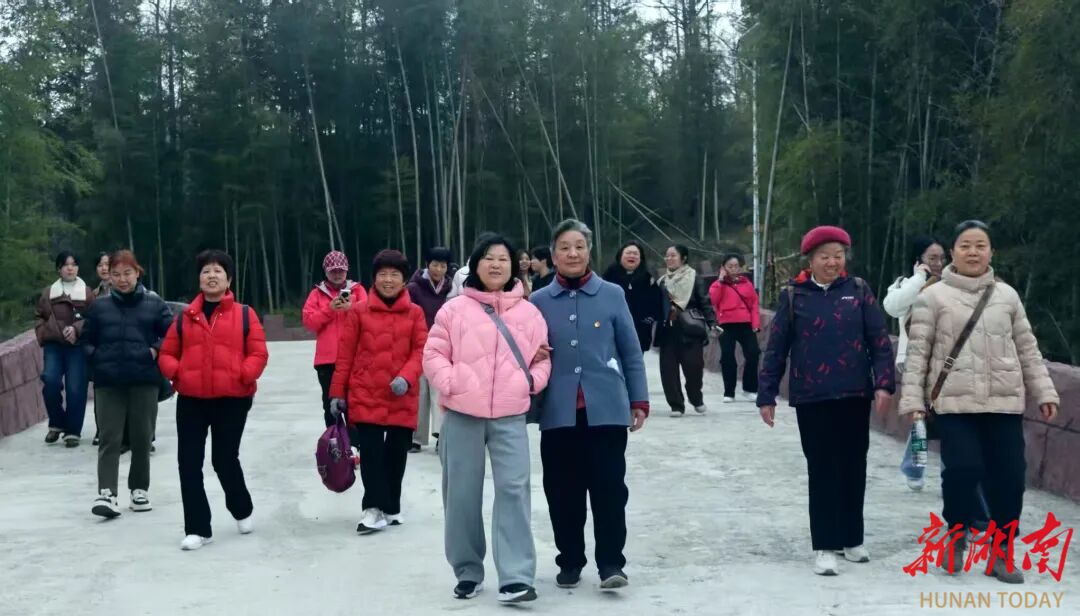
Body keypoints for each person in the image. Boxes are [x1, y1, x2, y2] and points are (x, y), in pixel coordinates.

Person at [900, 220, 1059, 583]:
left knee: (1010, 478)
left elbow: (1027, 348)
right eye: (965, 246)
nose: (973, 252)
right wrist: (913, 401)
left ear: (991, 252)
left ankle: (1001, 553)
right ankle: (957, 535)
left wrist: (1045, 391)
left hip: (1004, 403)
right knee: (963, 470)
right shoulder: (932, 297)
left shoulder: (1007, 296)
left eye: (980, 245)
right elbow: (918, 354)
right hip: (955, 404)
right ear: (952, 253)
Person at [756, 226, 895, 576]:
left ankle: (851, 538)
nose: (833, 262)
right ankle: (825, 544)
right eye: (825, 256)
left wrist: (883, 384)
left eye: (838, 255)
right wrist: (766, 394)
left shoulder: (858, 291)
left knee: (853, 466)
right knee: (821, 469)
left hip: (854, 394)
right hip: (812, 397)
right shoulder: (794, 296)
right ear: (810, 259)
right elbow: (776, 349)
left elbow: (879, 341)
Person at [423, 235, 551, 603]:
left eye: (503, 259)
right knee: (461, 494)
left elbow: (543, 358)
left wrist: (530, 382)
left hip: (510, 415)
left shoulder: (529, 313)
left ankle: (516, 576)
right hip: (462, 415)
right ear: (475, 265)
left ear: (514, 266)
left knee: (514, 491)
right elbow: (433, 354)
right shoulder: (454, 310)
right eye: (489, 258)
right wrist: (453, 384)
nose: (496, 265)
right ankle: (467, 570)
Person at [530, 219, 650, 592]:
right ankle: (570, 560)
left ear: (589, 252)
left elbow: (631, 351)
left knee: (609, 489)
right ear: (553, 255)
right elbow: (525, 352)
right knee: (562, 491)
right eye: (564, 247)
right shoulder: (537, 301)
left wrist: (639, 399)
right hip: (558, 412)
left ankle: (611, 562)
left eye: (579, 246)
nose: (572, 253)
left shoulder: (612, 294)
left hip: (607, 411)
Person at [157, 250, 269, 551]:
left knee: (224, 459)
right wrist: (178, 373)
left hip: (232, 399)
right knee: (188, 463)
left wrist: (243, 375)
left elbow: (258, 353)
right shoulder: (185, 318)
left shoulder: (244, 314)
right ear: (199, 279)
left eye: (218, 271)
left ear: (228, 279)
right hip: (192, 399)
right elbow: (166, 353)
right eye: (206, 271)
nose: (211, 276)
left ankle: (241, 508)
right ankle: (198, 528)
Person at [329, 250, 428, 534]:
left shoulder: (415, 313)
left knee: (396, 454)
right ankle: (372, 508)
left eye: (394, 275)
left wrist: (406, 377)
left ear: (404, 280)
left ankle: (391, 505)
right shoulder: (358, 311)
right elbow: (345, 354)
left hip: (401, 394)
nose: (388, 280)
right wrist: (337, 392)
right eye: (382, 274)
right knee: (371, 455)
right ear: (374, 278)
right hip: (365, 392)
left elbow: (421, 350)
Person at [81, 250, 174, 518]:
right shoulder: (99, 307)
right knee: (109, 438)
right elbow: (85, 340)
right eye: (116, 274)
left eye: (127, 273)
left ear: (137, 273)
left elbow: (173, 334)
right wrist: (96, 358)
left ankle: (139, 490)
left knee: (142, 437)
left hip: (144, 380)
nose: (122, 279)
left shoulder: (154, 304)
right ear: (109, 277)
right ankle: (107, 493)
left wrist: (155, 350)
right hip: (108, 382)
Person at [883, 235, 946, 491]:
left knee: (953, 419)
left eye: (942, 258)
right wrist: (920, 278)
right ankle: (914, 467)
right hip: (916, 363)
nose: (938, 263)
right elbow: (893, 307)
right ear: (918, 260)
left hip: (948, 363)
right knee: (921, 420)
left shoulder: (953, 285)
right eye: (932, 258)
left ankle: (951, 474)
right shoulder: (904, 285)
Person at [35, 251, 94, 447]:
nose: (70, 268)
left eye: (74, 264)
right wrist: (44, 332)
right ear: (59, 269)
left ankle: (72, 431)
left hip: (76, 347)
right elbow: (39, 316)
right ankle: (57, 421)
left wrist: (77, 329)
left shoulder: (86, 293)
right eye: (66, 265)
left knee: (75, 387)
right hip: (53, 345)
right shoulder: (48, 293)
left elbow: (93, 319)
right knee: (50, 381)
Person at [302, 251, 366, 427]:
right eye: (333, 271)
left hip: (354, 358)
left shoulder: (358, 290)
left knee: (354, 404)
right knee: (330, 406)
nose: (337, 274)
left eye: (341, 270)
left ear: (347, 270)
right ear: (326, 272)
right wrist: (329, 309)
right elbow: (309, 322)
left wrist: (352, 308)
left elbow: (369, 316)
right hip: (327, 361)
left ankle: (355, 441)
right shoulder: (316, 294)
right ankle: (334, 440)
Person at [655, 244, 720, 416]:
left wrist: (712, 323)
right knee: (668, 371)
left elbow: (705, 302)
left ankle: (695, 396)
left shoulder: (694, 278)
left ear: (683, 258)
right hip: (668, 330)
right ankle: (676, 405)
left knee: (694, 368)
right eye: (667, 256)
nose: (669, 259)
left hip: (690, 330)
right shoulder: (662, 282)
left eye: (673, 255)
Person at [406, 246, 453, 452]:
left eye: (443, 266)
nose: (438, 269)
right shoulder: (414, 288)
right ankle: (416, 438)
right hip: (418, 345)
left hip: (442, 345)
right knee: (420, 392)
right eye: (435, 265)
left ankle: (441, 436)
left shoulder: (450, 288)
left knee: (439, 390)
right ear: (427, 265)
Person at [708, 253, 761, 403]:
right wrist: (720, 280)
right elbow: (713, 300)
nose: (733, 269)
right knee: (727, 357)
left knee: (753, 353)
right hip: (726, 325)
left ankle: (749, 389)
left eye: (736, 266)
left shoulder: (746, 283)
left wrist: (755, 324)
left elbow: (754, 305)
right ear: (723, 268)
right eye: (730, 266)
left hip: (745, 324)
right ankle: (729, 392)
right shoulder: (718, 284)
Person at [602, 241, 662, 354]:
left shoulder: (648, 277)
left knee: (635, 361)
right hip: (613, 329)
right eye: (628, 253)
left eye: (635, 254)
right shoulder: (609, 275)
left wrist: (648, 319)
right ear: (620, 256)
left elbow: (656, 302)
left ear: (641, 258)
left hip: (639, 331)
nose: (632, 256)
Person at [91, 252, 111, 446]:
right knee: (101, 391)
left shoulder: (127, 290)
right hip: (102, 349)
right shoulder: (93, 295)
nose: (104, 268)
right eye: (100, 265)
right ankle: (101, 429)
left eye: (107, 264)